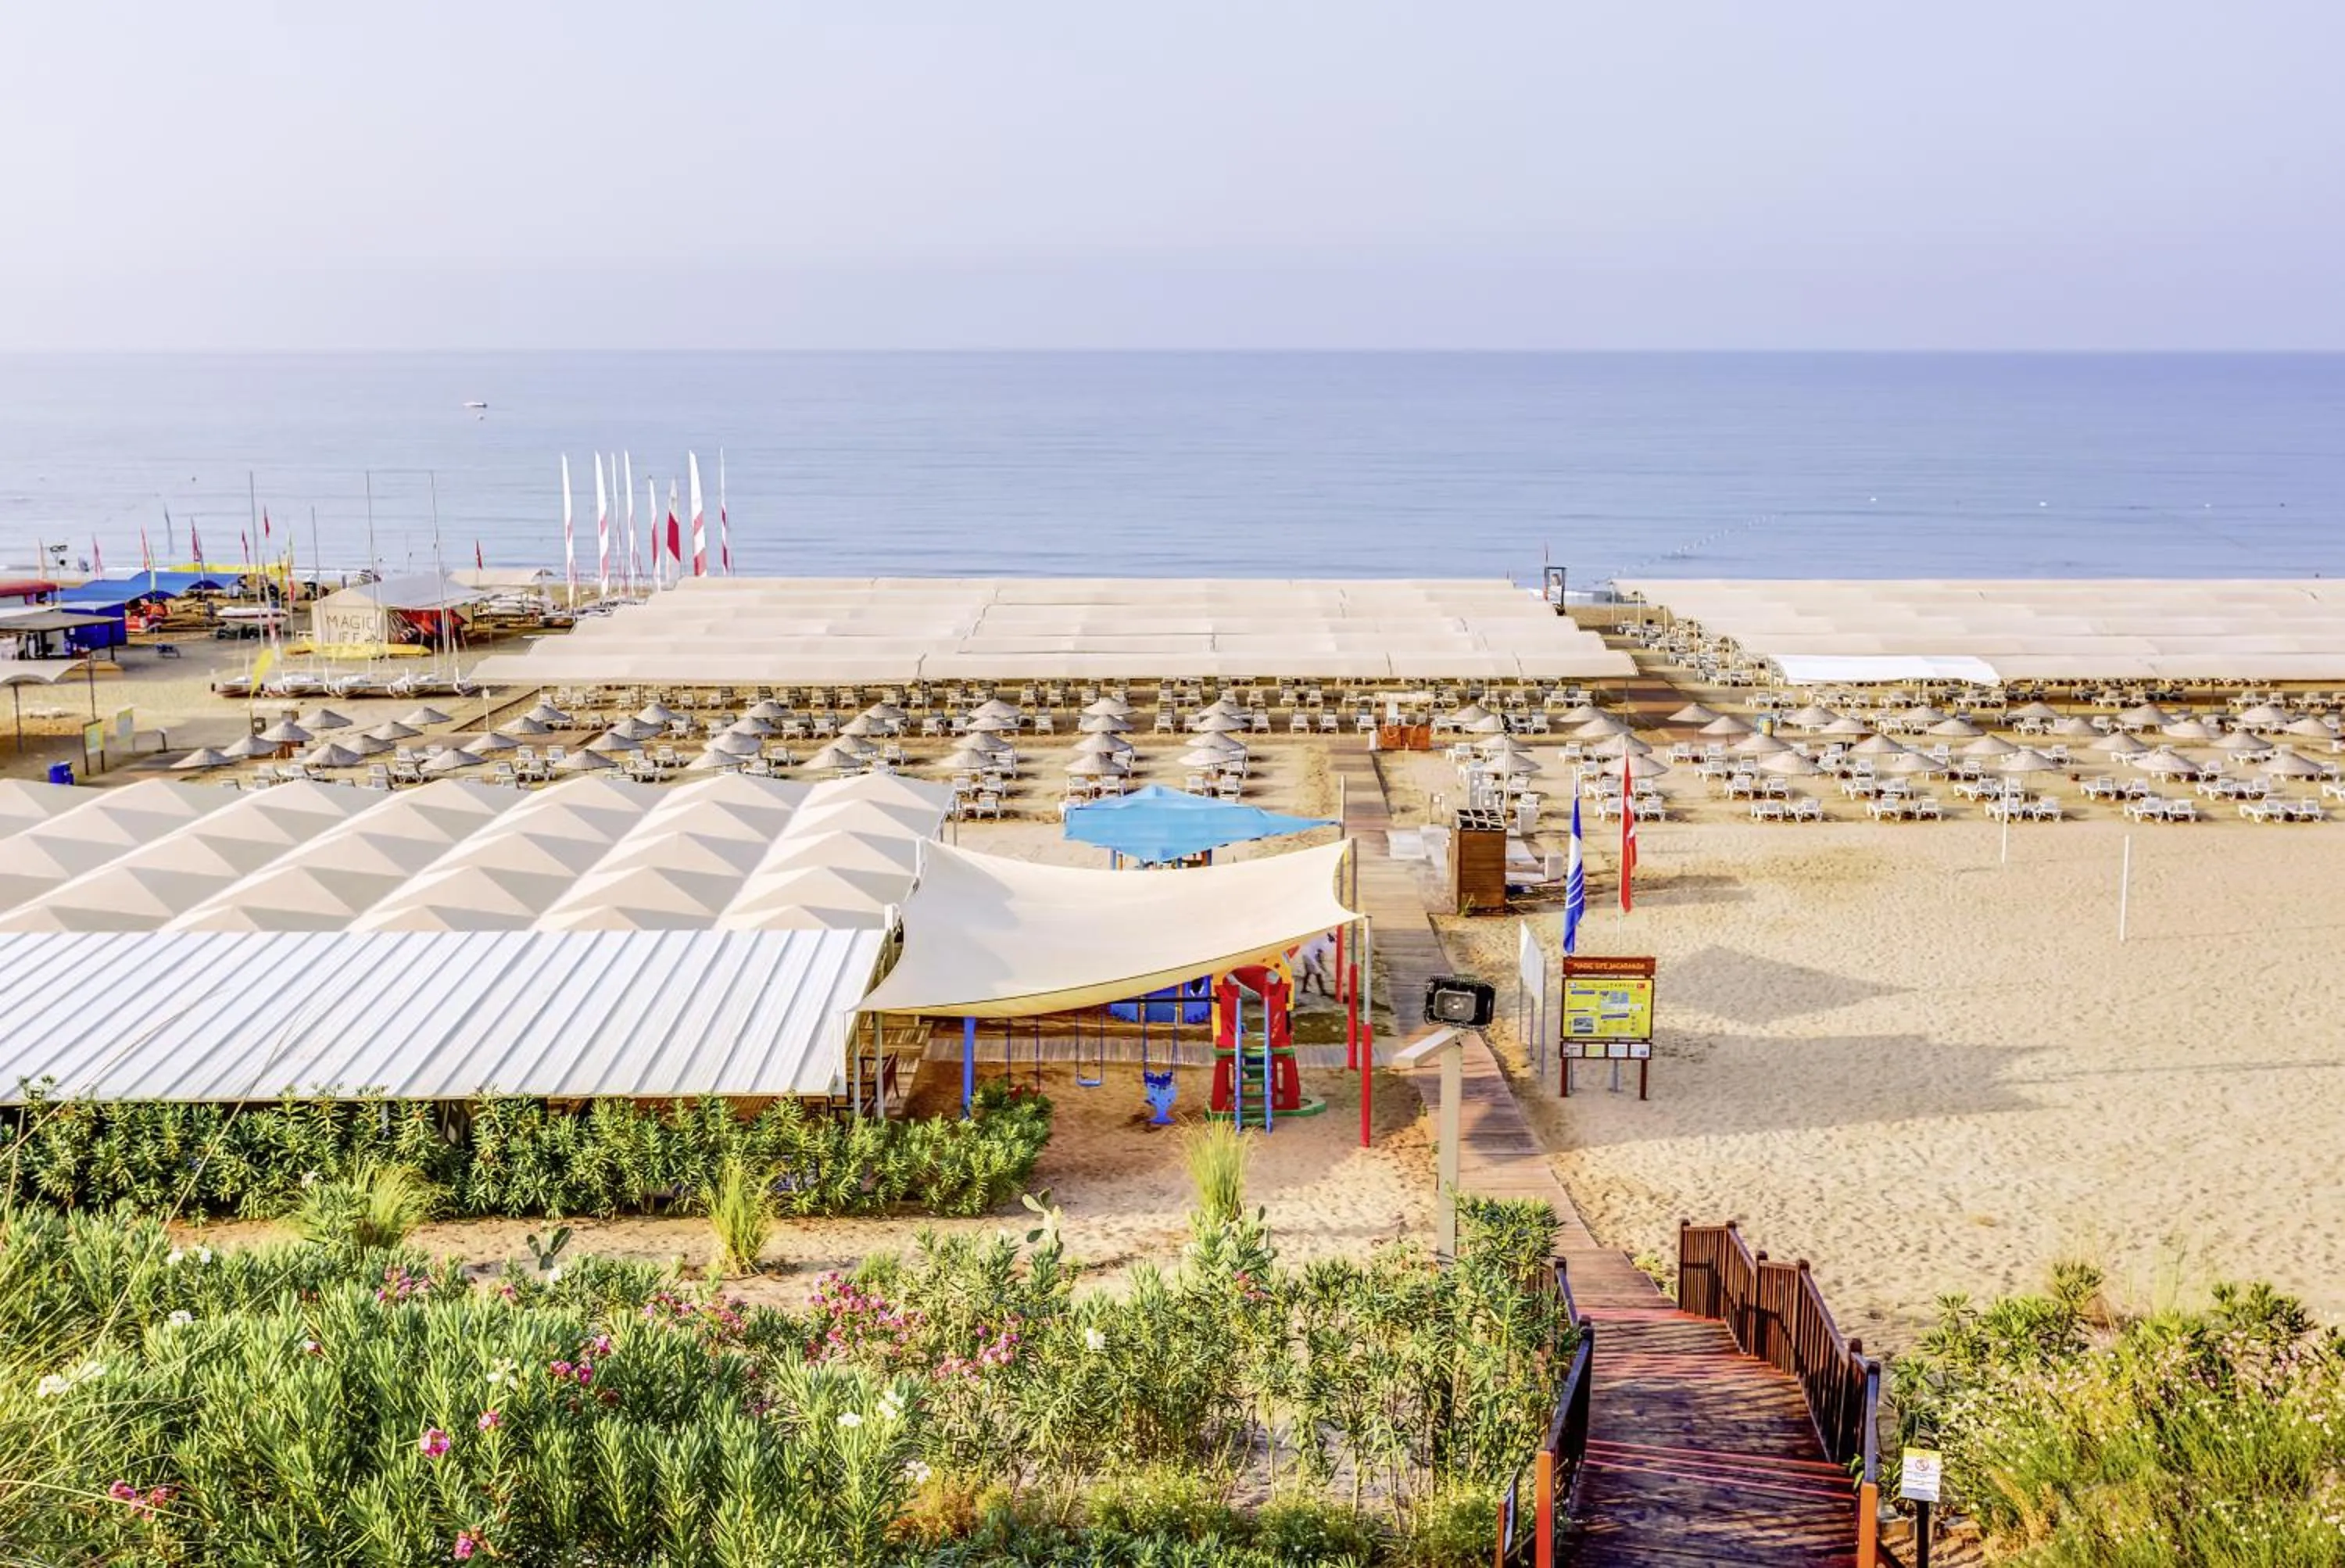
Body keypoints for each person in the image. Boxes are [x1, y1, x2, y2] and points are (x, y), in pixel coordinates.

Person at [1297, 932, 1337, 998]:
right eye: (1333, 940)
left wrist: (1321, 965)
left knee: (1308, 972)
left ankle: (1304, 989)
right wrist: (1322, 967)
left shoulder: (1322, 939)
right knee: (1318, 974)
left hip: (1305, 954)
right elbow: (1319, 957)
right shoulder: (1324, 942)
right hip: (1309, 956)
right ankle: (1323, 992)